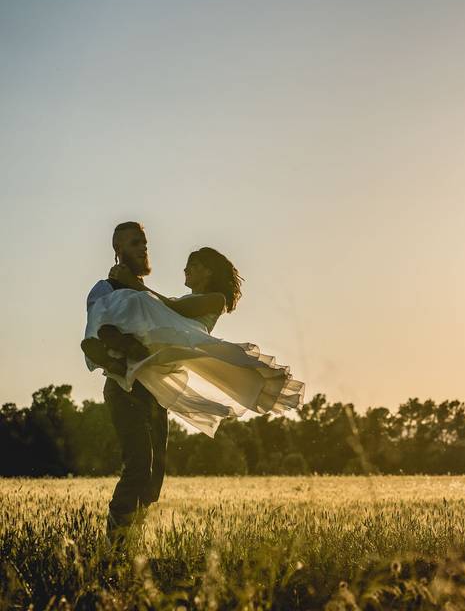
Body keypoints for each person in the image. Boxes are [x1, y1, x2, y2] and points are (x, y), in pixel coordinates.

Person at [83, 234, 305, 439]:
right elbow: (169, 307)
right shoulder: (185, 298)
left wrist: (134, 284)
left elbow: (175, 308)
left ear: (208, 271)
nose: (185, 269)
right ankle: (117, 353)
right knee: (134, 304)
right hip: (168, 340)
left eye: (193, 266)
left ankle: (119, 343)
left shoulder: (216, 299)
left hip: (185, 338)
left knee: (140, 301)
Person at [81, 221, 167, 548]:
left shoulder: (144, 292)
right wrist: (127, 351)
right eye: (134, 243)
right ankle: (115, 548)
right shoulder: (104, 289)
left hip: (154, 390)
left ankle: (133, 544)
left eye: (143, 242)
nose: (142, 248)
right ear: (118, 250)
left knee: (154, 475)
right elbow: (97, 332)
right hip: (124, 388)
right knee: (138, 466)